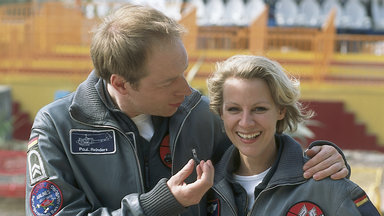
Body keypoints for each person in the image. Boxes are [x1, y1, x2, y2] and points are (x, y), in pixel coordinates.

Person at [25, 4, 349, 216]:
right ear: (121, 84)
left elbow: (261, 162)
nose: (186, 88)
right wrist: (158, 205)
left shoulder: (200, 114)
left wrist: (322, 161)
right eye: (168, 81)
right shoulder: (57, 126)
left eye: (184, 70)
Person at [204, 55, 380, 215]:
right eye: (234, 109)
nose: (245, 122)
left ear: (281, 110)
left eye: (259, 109)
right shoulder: (203, 187)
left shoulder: (327, 188)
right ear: (221, 112)